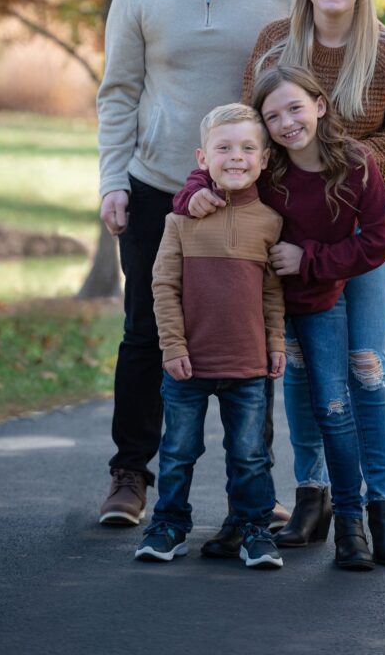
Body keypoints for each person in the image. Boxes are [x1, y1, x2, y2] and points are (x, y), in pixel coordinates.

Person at [183, 0, 385, 566]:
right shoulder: (274, 45)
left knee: (365, 368)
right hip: (287, 236)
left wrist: (345, 163)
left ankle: (382, 506)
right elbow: (243, 133)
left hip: (357, 231)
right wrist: (198, 189)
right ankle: (312, 495)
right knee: (296, 365)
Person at [97, 0, 296, 527]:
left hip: (249, 195)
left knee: (248, 332)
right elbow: (119, 93)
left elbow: (300, 92)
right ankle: (130, 476)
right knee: (145, 331)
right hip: (155, 188)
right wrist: (113, 182)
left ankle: (256, 493)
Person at [174, 66, 385, 569]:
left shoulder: (357, 163)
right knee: (252, 419)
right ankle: (248, 519)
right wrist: (192, 195)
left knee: (334, 407)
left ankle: (352, 524)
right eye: (272, 116)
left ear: (320, 104)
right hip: (255, 308)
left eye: (295, 107)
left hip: (318, 301)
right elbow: (213, 165)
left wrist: (310, 259)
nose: (286, 122)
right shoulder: (267, 164)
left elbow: (380, 240)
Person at [134, 104, 285, 569]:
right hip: (188, 365)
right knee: (178, 451)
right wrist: (173, 347)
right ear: (203, 157)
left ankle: (253, 529)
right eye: (223, 147)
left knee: (250, 454)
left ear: (263, 159)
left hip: (248, 365)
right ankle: (170, 524)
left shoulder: (271, 222)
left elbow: (273, 293)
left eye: (246, 148)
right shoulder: (179, 221)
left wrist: (276, 344)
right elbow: (164, 286)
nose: (235, 157)